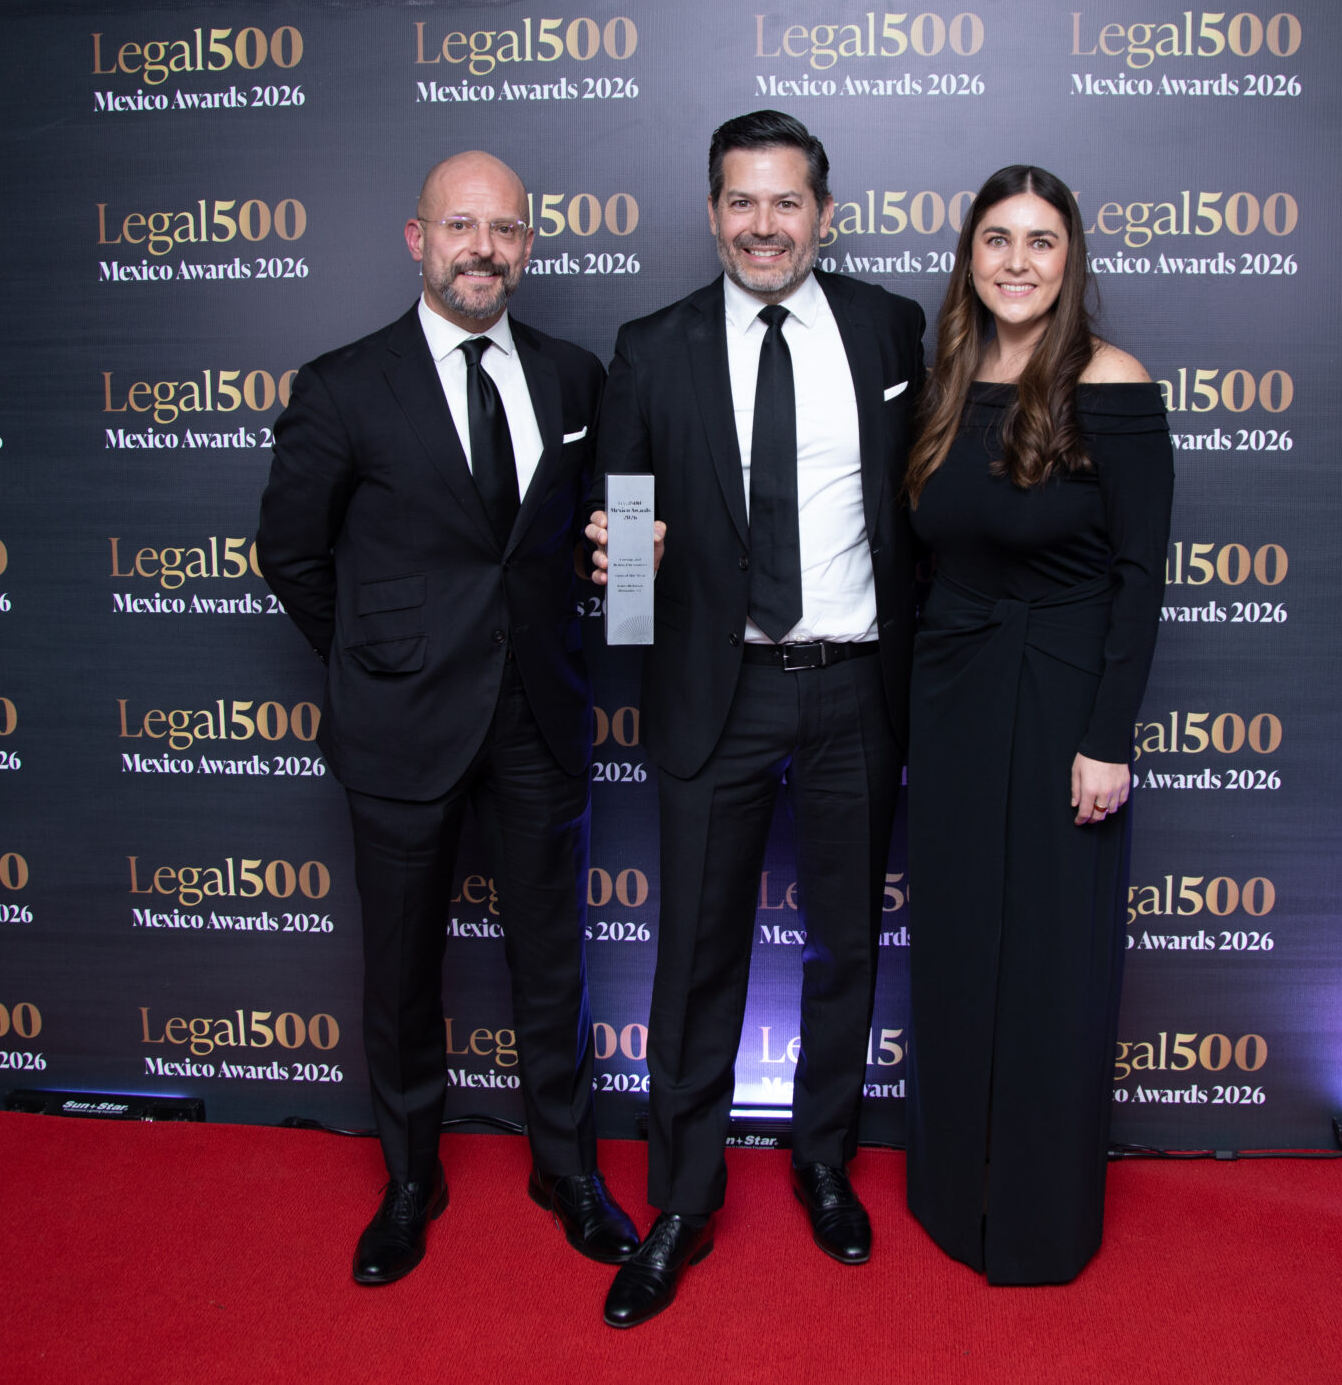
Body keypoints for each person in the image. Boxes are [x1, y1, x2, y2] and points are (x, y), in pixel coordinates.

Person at [257, 150, 640, 1286]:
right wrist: (376, 663)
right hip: (400, 724)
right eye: (461, 226)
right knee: (401, 970)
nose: (484, 248)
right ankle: (410, 1178)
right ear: (417, 239)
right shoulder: (343, 385)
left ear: (528, 246)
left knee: (553, 964)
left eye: (505, 229)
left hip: (538, 716)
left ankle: (565, 1170)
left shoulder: (575, 378)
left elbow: (618, 529)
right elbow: (290, 553)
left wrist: (629, 577)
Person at [581, 111, 926, 1328]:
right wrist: (627, 568)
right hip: (713, 691)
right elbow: (625, 545)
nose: (763, 226)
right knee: (694, 959)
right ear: (712, 213)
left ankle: (824, 1160)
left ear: (824, 216)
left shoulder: (890, 328)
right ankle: (682, 1199)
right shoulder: (651, 347)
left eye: (786, 202)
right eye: (741, 201)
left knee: (845, 944)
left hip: (855, 683)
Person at [899, 164, 1172, 1286]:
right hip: (953, 697)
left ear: (1072, 259)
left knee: (1051, 962)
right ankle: (948, 1193)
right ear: (969, 254)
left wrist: (1107, 737)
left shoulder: (1111, 380)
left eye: (1041, 241)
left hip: (1064, 702)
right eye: (997, 239)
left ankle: (1034, 1220)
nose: (1017, 262)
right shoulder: (945, 382)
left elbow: (1140, 577)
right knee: (959, 946)